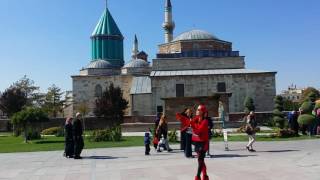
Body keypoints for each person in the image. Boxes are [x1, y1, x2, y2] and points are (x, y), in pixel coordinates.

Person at [190, 104, 210, 180]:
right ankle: (205, 176)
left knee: (200, 160)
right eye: (197, 109)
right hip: (197, 142)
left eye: (199, 110)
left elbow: (198, 131)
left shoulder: (205, 121)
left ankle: (197, 176)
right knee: (201, 160)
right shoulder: (197, 119)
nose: (197, 111)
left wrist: (192, 124)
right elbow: (190, 124)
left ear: (202, 112)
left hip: (203, 143)